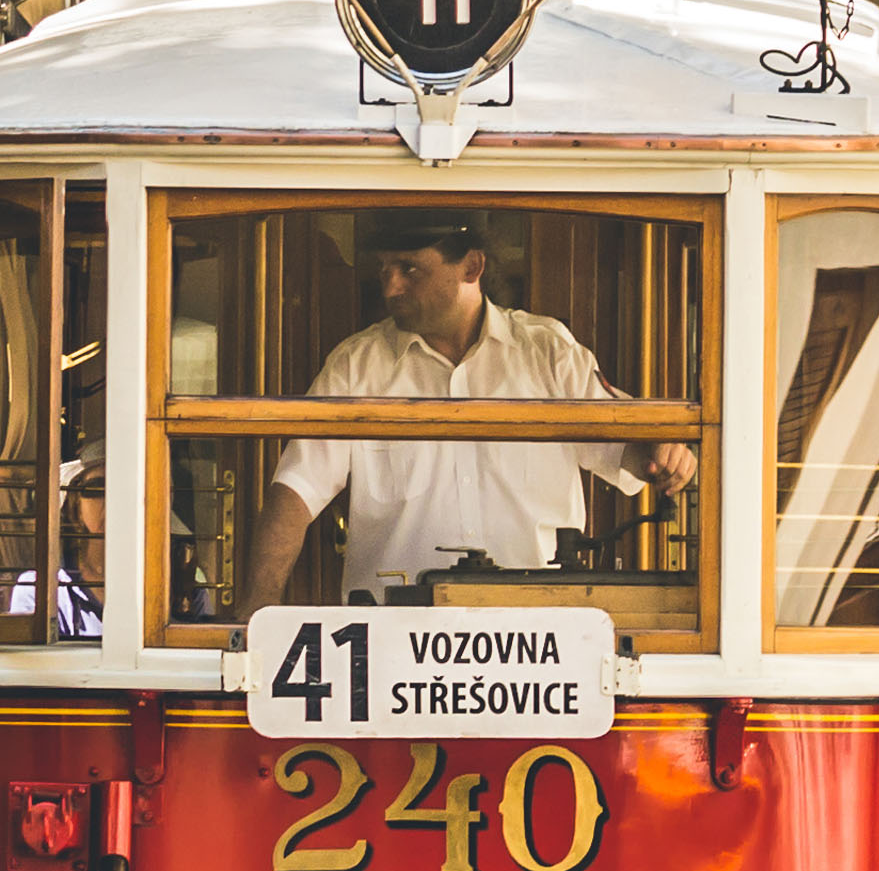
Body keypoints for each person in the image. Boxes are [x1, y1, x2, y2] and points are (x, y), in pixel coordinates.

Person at [241, 212, 697, 609]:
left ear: (472, 266)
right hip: (393, 641)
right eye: (384, 270)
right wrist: (258, 607)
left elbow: (631, 450)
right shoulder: (356, 367)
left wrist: (666, 454)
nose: (391, 286)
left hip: (534, 644)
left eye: (410, 268)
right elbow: (296, 492)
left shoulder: (547, 352)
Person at [4, 459, 107, 638]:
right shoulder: (39, 593)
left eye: (125, 488)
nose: (111, 499)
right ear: (76, 506)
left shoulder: (161, 589)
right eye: (97, 488)